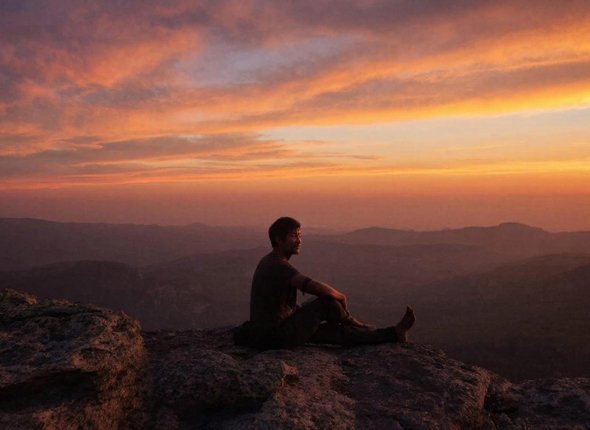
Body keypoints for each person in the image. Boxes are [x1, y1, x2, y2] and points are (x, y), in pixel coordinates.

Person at [234, 216, 415, 349]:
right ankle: (353, 322)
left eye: (299, 235)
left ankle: (392, 333)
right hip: (276, 337)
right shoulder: (277, 265)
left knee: (332, 333)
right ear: (279, 240)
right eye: (293, 236)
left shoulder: (271, 261)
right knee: (325, 303)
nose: (299, 241)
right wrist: (340, 296)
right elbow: (312, 286)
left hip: (269, 335)